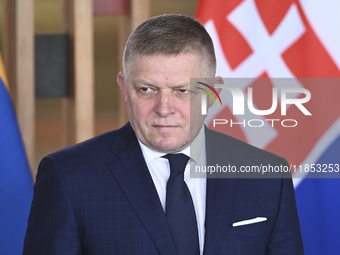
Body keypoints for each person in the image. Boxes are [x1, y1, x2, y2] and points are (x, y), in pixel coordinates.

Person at [23, 14, 303, 254]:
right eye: (147, 89)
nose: (164, 108)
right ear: (124, 86)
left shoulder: (268, 176)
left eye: (183, 90)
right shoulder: (68, 176)